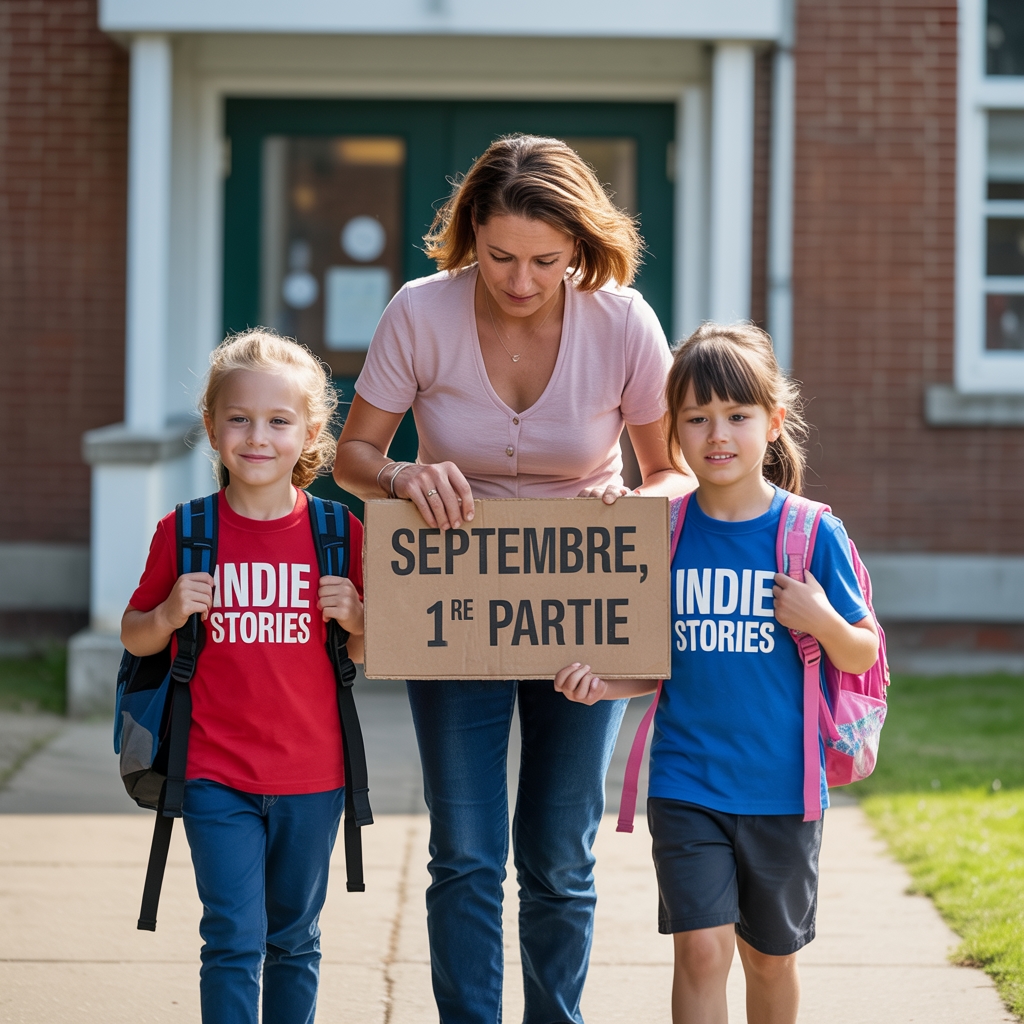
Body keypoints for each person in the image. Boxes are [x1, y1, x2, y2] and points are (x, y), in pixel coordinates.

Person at [334, 134, 690, 1024]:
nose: (521, 280)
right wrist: (403, 475)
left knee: (561, 855)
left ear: (580, 244)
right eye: (499, 257)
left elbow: (671, 472)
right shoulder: (420, 312)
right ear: (471, 236)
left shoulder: (623, 321)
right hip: (455, 598)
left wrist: (643, 510)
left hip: (584, 598)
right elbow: (353, 454)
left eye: (544, 260)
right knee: (464, 851)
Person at [554, 322, 879, 1024]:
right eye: (696, 419)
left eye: (737, 416)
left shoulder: (810, 532)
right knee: (701, 950)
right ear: (672, 429)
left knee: (770, 958)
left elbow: (862, 652)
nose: (717, 434)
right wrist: (606, 684)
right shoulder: (663, 531)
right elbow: (659, 661)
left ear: (774, 422)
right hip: (687, 780)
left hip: (782, 788)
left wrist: (821, 620)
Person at [121, 330, 365, 1024]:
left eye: (279, 421)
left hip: (313, 777)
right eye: (239, 418)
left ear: (310, 431)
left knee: (292, 939)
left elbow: (373, 653)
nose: (258, 437)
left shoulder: (339, 533)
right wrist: (167, 612)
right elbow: (133, 633)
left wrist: (358, 616)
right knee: (231, 938)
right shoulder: (186, 531)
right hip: (213, 772)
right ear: (211, 425)